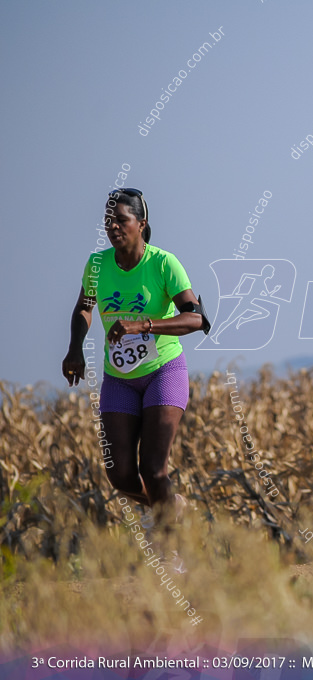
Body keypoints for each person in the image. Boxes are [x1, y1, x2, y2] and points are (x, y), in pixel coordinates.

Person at [62, 188, 210, 565]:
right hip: (120, 379)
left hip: (163, 371)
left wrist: (143, 324)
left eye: (121, 220)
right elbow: (84, 307)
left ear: (141, 224)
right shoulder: (97, 265)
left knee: (153, 466)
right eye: (108, 222)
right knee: (121, 474)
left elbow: (197, 319)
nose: (113, 227)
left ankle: (170, 549)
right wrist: (75, 348)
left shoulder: (163, 264)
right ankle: (173, 505)